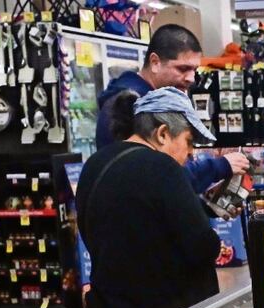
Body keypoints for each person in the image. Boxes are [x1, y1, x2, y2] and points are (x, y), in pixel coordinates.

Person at [76, 87, 223, 308]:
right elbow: (203, 246)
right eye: (189, 141)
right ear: (163, 133)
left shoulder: (95, 163)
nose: (191, 153)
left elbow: (121, 226)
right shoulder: (164, 168)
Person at [95, 24, 248, 190]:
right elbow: (162, 175)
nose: (191, 78)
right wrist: (220, 166)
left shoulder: (155, 102)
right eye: (183, 68)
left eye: (194, 70)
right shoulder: (134, 106)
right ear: (155, 62)